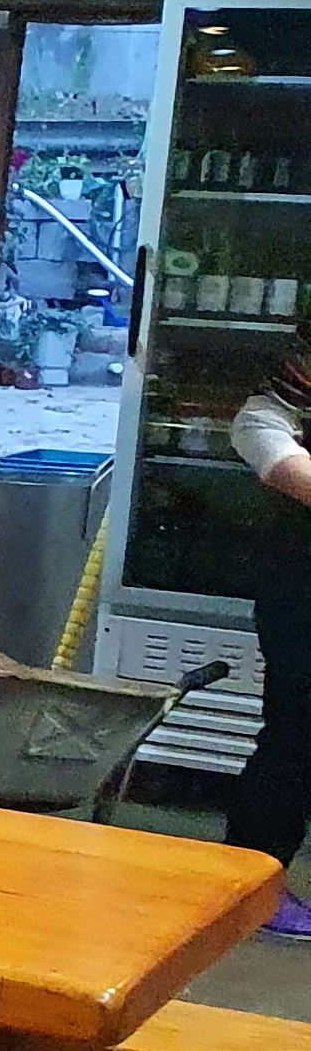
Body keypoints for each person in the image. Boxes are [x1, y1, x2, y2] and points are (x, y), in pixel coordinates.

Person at [226, 324, 311, 932]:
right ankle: (251, 890)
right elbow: (291, 473)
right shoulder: (262, 420)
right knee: (295, 736)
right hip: (299, 599)